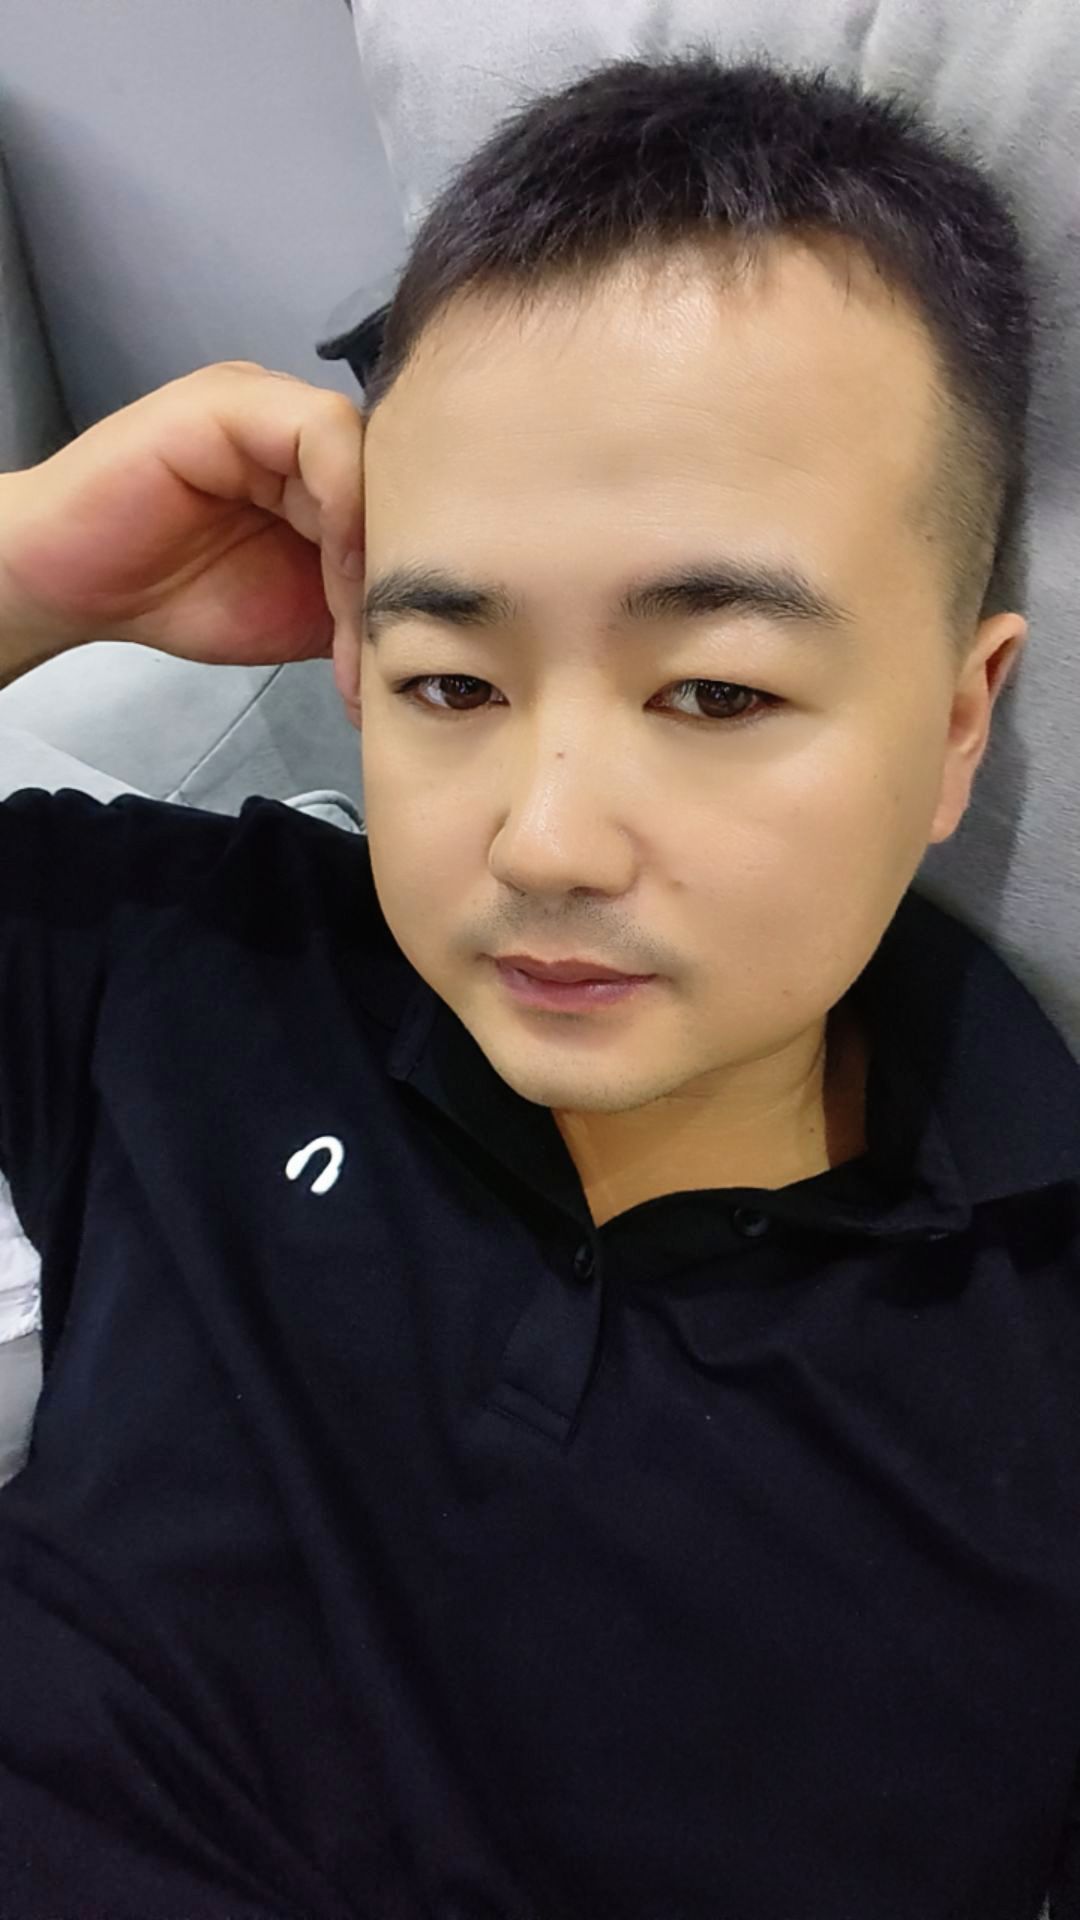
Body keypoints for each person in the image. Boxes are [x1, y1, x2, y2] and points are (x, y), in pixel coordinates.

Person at [1, 46, 1078, 1920]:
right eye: (453, 683)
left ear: (956, 724)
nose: (547, 839)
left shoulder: (1038, 1355)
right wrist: (21, 575)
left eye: (716, 691)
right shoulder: (200, 973)